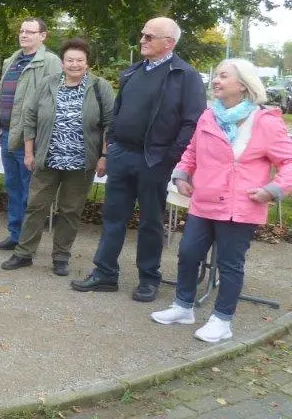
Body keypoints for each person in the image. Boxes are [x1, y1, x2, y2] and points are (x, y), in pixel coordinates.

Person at [151, 59, 292, 342]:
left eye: (223, 76)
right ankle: (183, 306)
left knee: (229, 265)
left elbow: (288, 162)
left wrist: (272, 190)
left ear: (243, 84)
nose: (216, 80)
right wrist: (182, 175)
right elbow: (192, 151)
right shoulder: (209, 116)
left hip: (240, 206)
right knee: (188, 253)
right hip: (204, 200)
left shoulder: (265, 121)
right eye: (216, 76)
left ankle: (222, 320)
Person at [72, 17, 206, 302]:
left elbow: (192, 122)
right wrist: (111, 148)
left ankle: (148, 278)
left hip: (155, 160)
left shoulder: (185, 75)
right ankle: (105, 273)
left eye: (149, 36)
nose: (142, 40)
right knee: (113, 217)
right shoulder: (133, 72)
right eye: (143, 34)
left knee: (150, 222)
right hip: (122, 155)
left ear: (169, 43)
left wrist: (170, 157)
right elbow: (118, 112)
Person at [0, 38, 113, 276]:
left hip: (81, 163)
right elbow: (30, 117)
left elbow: (110, 124)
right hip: (47, 159)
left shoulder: (99, 87)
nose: (74, 64)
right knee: (35, 206)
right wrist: (28, 152)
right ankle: (24, 253)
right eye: (70, 60)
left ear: (87, 63)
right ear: (62, 62)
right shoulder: (48, 83)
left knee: (70, 211)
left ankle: (61, 257)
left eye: (79, 60)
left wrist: (104, 155)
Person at [0, 18, 63, 251]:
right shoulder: (12, 60)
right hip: (7, 135)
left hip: (31, 140)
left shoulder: (51, 62)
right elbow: (0, 97)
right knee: (13, 188)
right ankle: (15, 235)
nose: (24, 35)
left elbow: (54, 102)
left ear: (43, 36)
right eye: (22, 31)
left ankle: (27, 243)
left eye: (30, 31)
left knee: (31, 192)